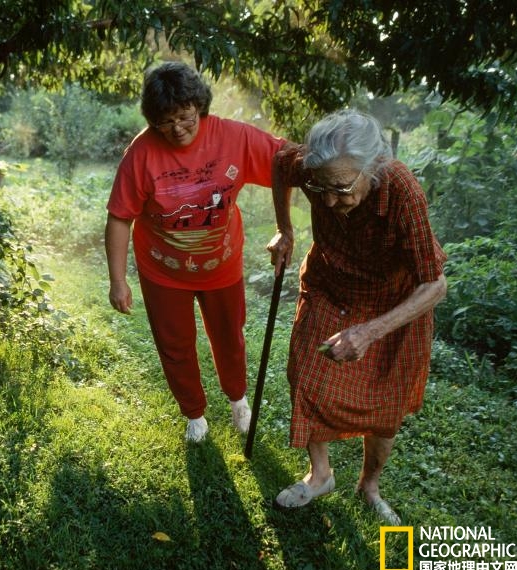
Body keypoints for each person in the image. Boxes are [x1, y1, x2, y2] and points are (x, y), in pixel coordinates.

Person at [266, 109, 447, 524]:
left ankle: (369, 486)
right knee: (307, 370)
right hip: (332, 279)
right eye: (320, 188)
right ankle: (320, 474)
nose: (329, 200)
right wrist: (285, 228)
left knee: (387, 401)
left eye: (342, 188)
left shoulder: (402, 191)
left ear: (374, 168)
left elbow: (434, 286)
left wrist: (369, 332)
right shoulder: (314, 167)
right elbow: (279, 163)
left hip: (394, 298)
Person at [105, 61, 287, 442]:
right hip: (163, 271)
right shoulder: (141, 154)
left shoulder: (233, 137)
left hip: (221, 266)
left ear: (199, 106)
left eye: (185, 117)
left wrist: (285, 227)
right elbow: (120, 218)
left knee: (229, 336)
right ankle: (194, 414)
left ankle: (238, 400)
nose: (177, 129)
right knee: (175, 344)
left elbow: (288, 164)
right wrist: (118, 280)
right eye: (165, 122)